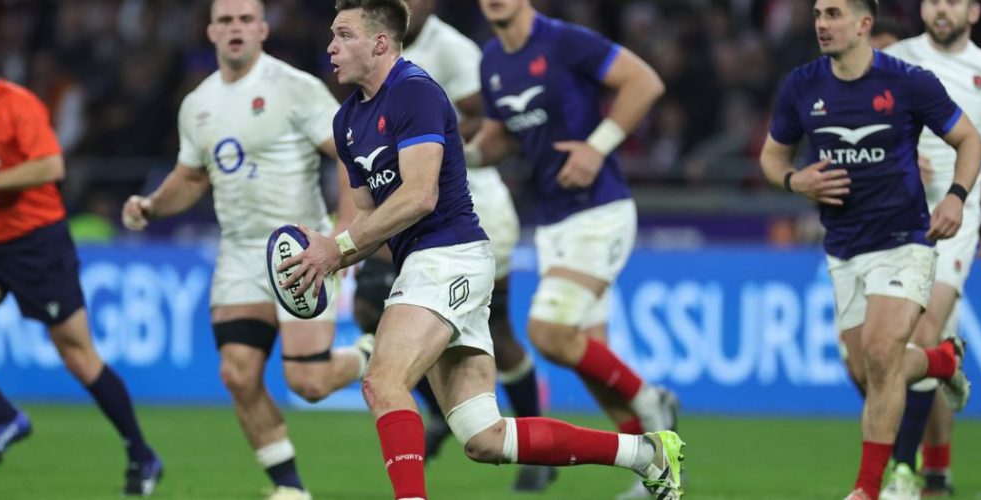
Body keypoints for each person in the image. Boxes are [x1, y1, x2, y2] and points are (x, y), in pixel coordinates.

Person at [281, 1, 685, 499]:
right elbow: (368, 220)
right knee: (484, 438)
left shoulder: (416, 92)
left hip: (450, 256)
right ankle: (647, 453)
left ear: (380, 43)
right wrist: (327, 257)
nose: (331, 47)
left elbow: (420, 194)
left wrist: (337, 248)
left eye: (343, 35)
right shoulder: (347, 122)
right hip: (426, 263)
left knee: (383, 382)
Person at [120, 1, 368, 498]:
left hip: (300, 248)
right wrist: (151, 205)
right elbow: (191, 178)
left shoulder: (294, 87)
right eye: (225, 21)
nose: (235, 28)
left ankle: (370, 351)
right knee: (237, 373)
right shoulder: (198, 104)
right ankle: (290, 488)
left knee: (309, 383)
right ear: (212, 31)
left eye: (244, 20)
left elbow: (347, 149)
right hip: (238, 254)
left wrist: (345, 229)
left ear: (262, 29)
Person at [0, 12, 163, 495]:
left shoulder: (17, 104)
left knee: (79, 358)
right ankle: (3, 415)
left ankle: (142, 454)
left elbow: (52, 165)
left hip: (39, 245)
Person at [758, 1, 981, 498]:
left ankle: (867, 489)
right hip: (843, 247)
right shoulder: (803, 85)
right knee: (866, 369)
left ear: (864, 24)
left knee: (883, 353)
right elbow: (772, 157)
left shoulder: (908, 82)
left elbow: (968, 139)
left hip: (905, 239)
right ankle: (943, 361)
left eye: (834, 13)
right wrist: (796, 180)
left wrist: (956, 197)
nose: (821, 22)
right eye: (818, 13)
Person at [467, 2, 679, 496]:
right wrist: (457, 156)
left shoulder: (564, 40)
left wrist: (597, 145)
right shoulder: (492, 60)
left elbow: (644, 81)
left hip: (599, 210)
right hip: (553, 222)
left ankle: (652, 402)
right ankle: (656, 469)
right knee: (592, 362)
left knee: (548, 331)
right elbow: (498, 138)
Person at [395, 0, 553, 490]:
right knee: (377, 312)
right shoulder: (378, 48)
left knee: (498, 332)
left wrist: (421, 137)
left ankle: (537, 451)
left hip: (475, 206)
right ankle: (440, 412)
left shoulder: (452, 50)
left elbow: (487, 123)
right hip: (421, 217)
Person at [878, 1, 981, 497]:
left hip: (956, 220)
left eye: (953, 1)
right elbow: (867, 122)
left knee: (920, 331)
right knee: (924, 351)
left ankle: (899, 472)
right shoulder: (896, 57)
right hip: (892, 221)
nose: (941, 9)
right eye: (933, 0)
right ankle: (936, 472)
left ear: (974, 12)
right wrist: (895, 157)